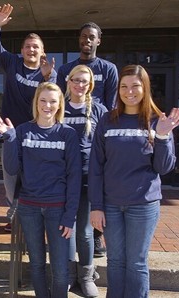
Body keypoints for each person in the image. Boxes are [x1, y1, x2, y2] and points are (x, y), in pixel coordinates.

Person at [88, 64, 179, 298]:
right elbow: (96, 166)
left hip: (143, 204)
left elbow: (164, 167)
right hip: (110, 204)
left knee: (137, 262)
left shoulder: (157, 121)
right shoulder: (108, 121)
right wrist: (96, 206)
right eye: (124, 86)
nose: (129, 91)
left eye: (135, 86)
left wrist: (161, 136)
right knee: (116, 261)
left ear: (145, 88)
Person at [0, 82, 81, 298]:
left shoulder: (67, 134)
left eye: (52, 101)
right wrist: (10, 138)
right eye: (43, 100)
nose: (47, 105)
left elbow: (74, 176)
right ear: (36, 103)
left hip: (58, 209)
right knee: (37, 264)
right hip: (29, 207)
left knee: (60, 271)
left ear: (60, 104)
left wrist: (70, 215)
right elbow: (12, 168)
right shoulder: (23, 131)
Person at [0, 3, 56, 231]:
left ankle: (30, 216)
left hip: (35, 134)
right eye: (28, 46)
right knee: (10, 178)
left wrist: (48, 79)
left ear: (42, 51)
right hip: (10, 133)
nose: (31, 50)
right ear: (23, 50)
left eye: (35, 47)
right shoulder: (13, 63)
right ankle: (14, 214)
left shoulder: (47, 73)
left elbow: (51, 103)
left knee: (32, 176)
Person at [57, 21, 119, 257]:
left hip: (93, 140)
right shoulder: (66, 70)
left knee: (89, 207)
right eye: (83, 36)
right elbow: (57, 100)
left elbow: (112, 106)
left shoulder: (108, 69)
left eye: (91, 37)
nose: (87, 40)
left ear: (98, 40)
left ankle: (94, 240)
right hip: (65, 161)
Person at [63, 65, 107, 296]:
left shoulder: (99, 111)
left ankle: (86, 277)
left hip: (89, 179)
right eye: (75, 80)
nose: (80, 85)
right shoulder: (58, 107)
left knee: (86, 232)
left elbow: (106, 147)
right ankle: (69, 276)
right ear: (68, 82)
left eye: (84, 81)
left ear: (90, 85)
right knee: (66, 230)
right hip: (62, 180)